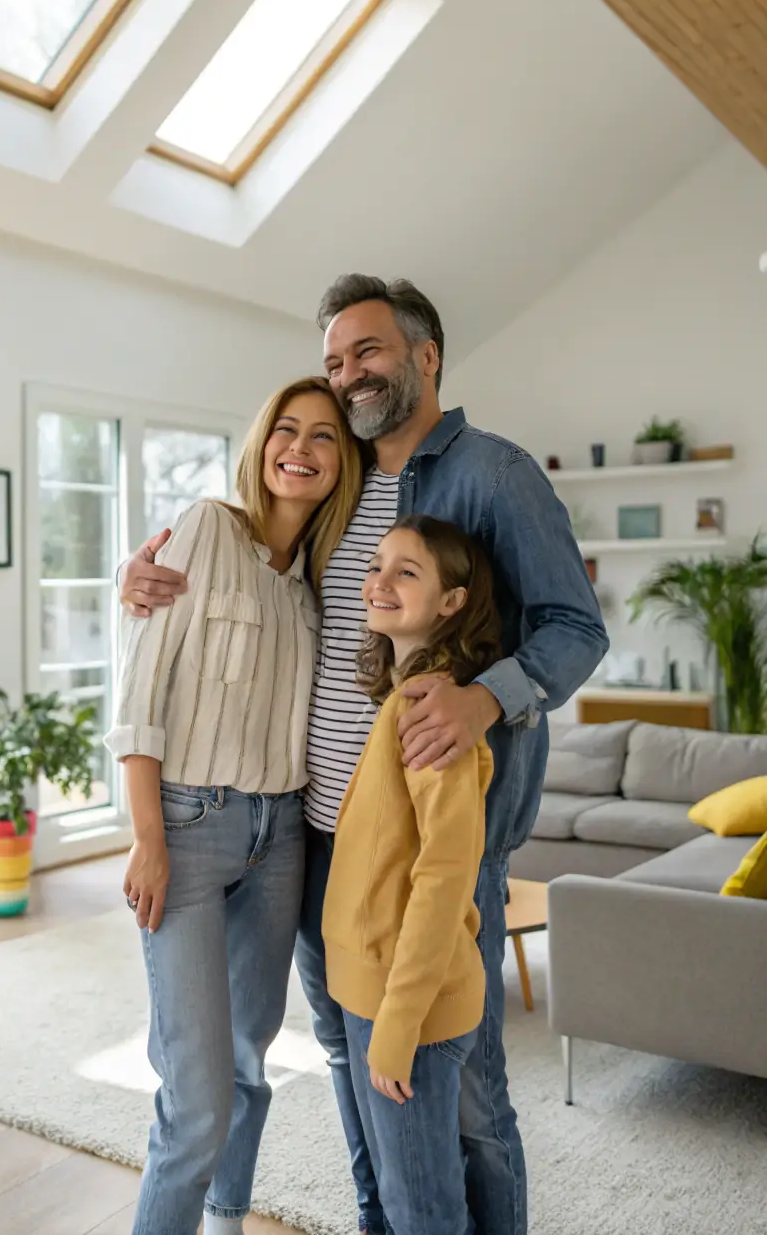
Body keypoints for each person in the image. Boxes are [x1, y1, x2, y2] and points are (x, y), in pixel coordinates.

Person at [119, 275, 609, 1235]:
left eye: (368, 352)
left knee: (459, 1085)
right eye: (336, 358)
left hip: (440, 840)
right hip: (314, 837)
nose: (348, 375)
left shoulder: (493, 474)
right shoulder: (337, 486)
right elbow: (249, 585)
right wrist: (134, 574)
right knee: (351, 1060)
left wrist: (482, 697)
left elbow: (574, 628)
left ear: (425, 356)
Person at [104, 376, 363, 1235]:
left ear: (342, 462)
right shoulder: (209, 526)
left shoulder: (317, 578)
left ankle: (226, 1220)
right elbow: (139, 691)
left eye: (324, 436)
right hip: (186, 822)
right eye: (286, 429)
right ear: (260, 443)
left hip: (282, 835)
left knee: (251, 1064)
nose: (302, 447)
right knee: (198, 1097)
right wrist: (147, 835)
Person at [323, 514, 500, 1235]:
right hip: (372, 990)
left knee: (421, 1211)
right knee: (394, 1198)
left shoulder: (432, 708)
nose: (380, 581)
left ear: (452, 601)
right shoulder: (403, 695)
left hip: (410, 1009)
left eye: (407, 570)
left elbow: (445, 875)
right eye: (376, 564)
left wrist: (396, 1024)